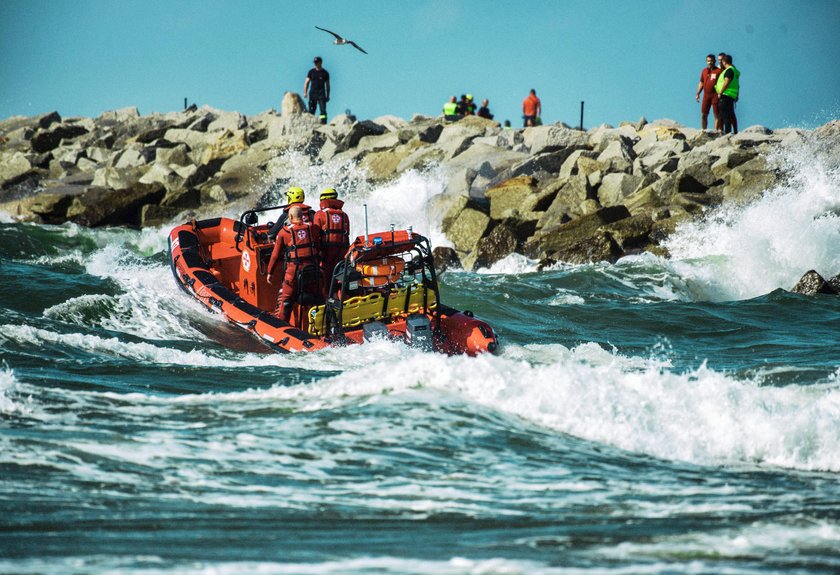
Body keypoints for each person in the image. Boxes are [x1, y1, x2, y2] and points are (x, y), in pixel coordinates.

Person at [266, 205, 323, 321]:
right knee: (319, 297)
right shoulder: (312, 228)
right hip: (313, 271)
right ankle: (323, 326)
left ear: (290, 216)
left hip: (294, 272)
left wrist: (269, 272)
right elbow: (319, 246)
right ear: (302, 216)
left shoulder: (284, 232)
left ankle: (282, 327)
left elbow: (275, 255)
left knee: (286, 300)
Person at [313, 187, 351, 292]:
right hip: (342, 253)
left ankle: (326, 304)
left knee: (325, 281)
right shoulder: (344, 215)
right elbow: (347, 235)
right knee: (339, 280)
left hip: (326, 254)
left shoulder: (319, 214)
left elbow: (315, 237)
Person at [715, 53, 740, 135]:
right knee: (727, 114)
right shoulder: (733, 70)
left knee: (725, 115)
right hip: (731, 96)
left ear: (724, 62)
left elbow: (726, 81)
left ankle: (727, 133)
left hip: (725, 95)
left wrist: (720, 92)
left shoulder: (729, 70)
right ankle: (729, 132)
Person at [695, 54, 721, 130]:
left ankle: (715, 132)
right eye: (708, 61)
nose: (709, 62)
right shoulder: (704, 71)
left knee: (716, 115)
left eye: (711, 61)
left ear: (714, 61)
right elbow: (701, 82)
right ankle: (704, 130)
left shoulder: (719, 71)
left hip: (715, 95)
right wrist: (698, 93)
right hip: (706, 96)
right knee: (703, 115)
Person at [304, 56, 330, 124]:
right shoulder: (311, 72)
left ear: (320, 63)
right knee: (312, 110)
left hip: (321, 93)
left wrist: (327, 96)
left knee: (323, 110)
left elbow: (327, 85)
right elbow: (306, 82)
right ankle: (310, 124)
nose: (315, 64)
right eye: (314, 63)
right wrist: (305, 92)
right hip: (313, 93)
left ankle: (323, 123)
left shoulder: (325, 73)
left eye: (317, 62)